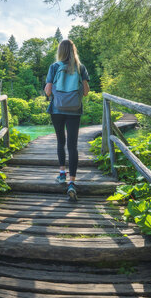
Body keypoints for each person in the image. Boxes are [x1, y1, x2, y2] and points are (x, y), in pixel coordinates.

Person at [44, 39, 90, 201]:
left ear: (60, 51)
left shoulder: (54, 67)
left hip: (57, 109)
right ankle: (72, 183)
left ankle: (62, 174)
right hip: (74, 110)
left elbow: (48, 92)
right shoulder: (80, 67)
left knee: (60, 142)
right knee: (73, 145)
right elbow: (85, 92)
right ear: (73, 50)